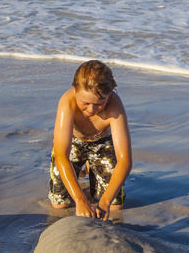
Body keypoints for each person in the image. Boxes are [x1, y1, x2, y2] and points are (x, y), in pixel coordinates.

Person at [48, 60, 132, 221]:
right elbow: (61, 154)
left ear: (110, 93)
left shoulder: (115, 106)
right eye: (85, 103)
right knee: (60, 205)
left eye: (100, 104)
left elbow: (125, 160)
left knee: (115, 207)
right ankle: (81, 167)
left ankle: (91, 166)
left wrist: (105, 202)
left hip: (102, 144)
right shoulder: (67, 102)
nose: (91, 110)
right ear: (74, 89)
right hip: (73, 143)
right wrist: (80, 200)